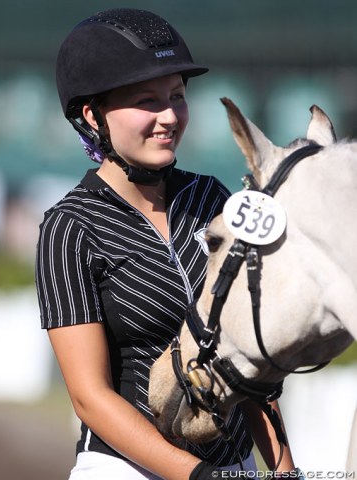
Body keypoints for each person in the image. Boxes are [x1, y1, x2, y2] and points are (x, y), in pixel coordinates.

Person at [36, 8, 297, 480]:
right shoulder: (69, 227)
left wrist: (284, 470)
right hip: (126, 469)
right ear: (93, 115)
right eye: (147, 101)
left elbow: (250, 363)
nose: (169, 117)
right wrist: (197, 475)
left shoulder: (214, 198)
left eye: (176, 96)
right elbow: (89, 398)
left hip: (234, 469)